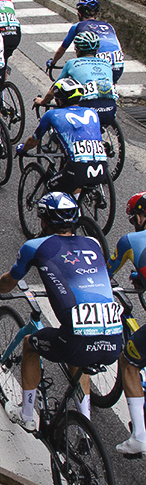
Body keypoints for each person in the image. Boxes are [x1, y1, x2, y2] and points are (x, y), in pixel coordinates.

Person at [0, 192, 123, 433]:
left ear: (43, 220)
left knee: (30, 343)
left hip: (77, 337)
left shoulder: (35, 246)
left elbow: (10, 281)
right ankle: (85, 424)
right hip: (113, 338)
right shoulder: (94, 244)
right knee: (79, 355)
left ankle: (26, 414)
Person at [17, 78, 108, 196]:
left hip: (78, 168)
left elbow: (34, 141)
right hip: (102, 167)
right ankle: (78, 210)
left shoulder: (52, 114)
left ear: (59, 99)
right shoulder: (92, 112)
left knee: (50, 188)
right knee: (76, 187)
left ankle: (70, 213)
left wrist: (23, 149)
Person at [106, 193, 146, 454]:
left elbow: (106, 272)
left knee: (128, 361)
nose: (133, 223)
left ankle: (140, 437)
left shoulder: (130, 241)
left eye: (134, 219)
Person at [34, 30, 117, 127]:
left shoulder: (72, 63)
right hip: (110, 111)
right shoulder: (106, 63)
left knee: (64, 92)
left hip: (85, 113)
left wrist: (43, 101)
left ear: (77, 49)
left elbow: (55, 89)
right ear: (97, 50)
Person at [47, 0, 124, 84]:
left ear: (79, 14)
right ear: (96, 13)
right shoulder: (109, 26)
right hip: (118, 64)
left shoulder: (78, 26)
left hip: (99, 65)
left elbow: (62, 49)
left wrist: (53, 63)